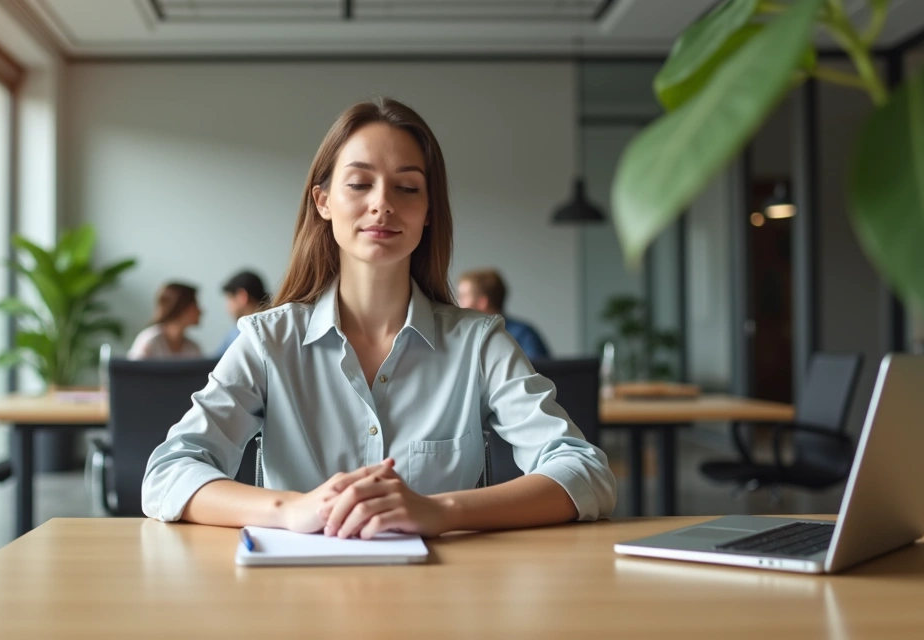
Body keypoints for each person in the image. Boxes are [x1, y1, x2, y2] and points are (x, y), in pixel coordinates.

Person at [142, 97, 614, 540]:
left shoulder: (478, 344)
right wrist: (290, 510)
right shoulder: (269, 341)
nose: (383, 203)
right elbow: (169, 472)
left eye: (407, 187)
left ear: (429, 211)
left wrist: (441, 511)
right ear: (323, 201)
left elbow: (585, 471)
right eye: (360, 183)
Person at [457, 269, 551, 360]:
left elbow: (538, 371)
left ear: (482, 302)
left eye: (463, 296)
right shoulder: (462, 335)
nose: (457, 302)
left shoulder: (524, 335)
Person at [127, 282, 203, 360]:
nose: (201, 311)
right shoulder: (150, 341)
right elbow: (132, 370)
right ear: (182, 308)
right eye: (195, 305)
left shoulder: (193, 348)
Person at [215, 270, 268, 357]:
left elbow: (214, 364)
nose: (227, 307)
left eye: (229, 298)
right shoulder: (279, 325)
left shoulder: (238, 333)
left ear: (242, 296)